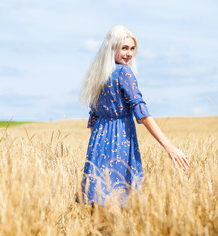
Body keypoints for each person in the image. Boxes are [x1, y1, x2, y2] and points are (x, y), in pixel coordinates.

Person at [77, 26, 189, 209]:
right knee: (119, 202)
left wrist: (96, 149)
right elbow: (142, 112)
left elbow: (93, 119)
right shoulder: (124, 73)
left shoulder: (98, 74)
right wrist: (169, 147)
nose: (129, 54)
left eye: (132, 48)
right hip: (120, 140)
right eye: (124, 48)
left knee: (99, 205)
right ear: (112, 48)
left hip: (97, 143)